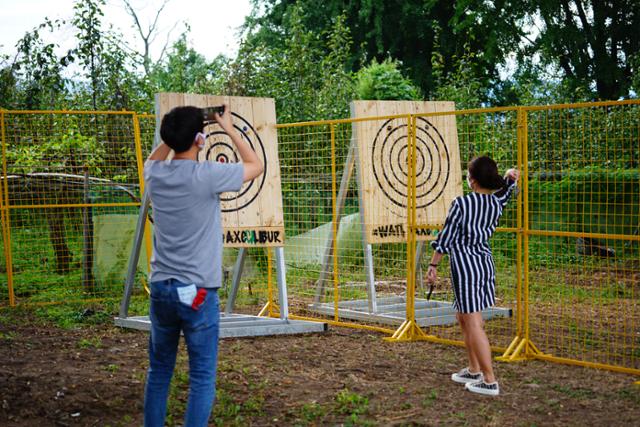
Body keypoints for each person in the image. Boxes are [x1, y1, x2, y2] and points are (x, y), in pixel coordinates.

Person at [143, 104, 264, 426]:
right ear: (200, 138)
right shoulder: (208, 175)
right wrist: (225, 126)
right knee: (201, 377)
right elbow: (256, 164)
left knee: (159, 372)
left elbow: (161, 152)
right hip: (195, 292)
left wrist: (175, 132)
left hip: (161, 289)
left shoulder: (154, 173)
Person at [426, 156, 519, 396]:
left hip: (465, 266)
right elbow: (507, 191)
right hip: (483, 265)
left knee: (474, 322)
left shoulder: (462, 204)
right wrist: (511, 177)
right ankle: (474, 369)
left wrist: (433, 265)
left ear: (473, 181)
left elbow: (446, 237)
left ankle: (489, 380)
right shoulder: (496, 202)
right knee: (463, 317)